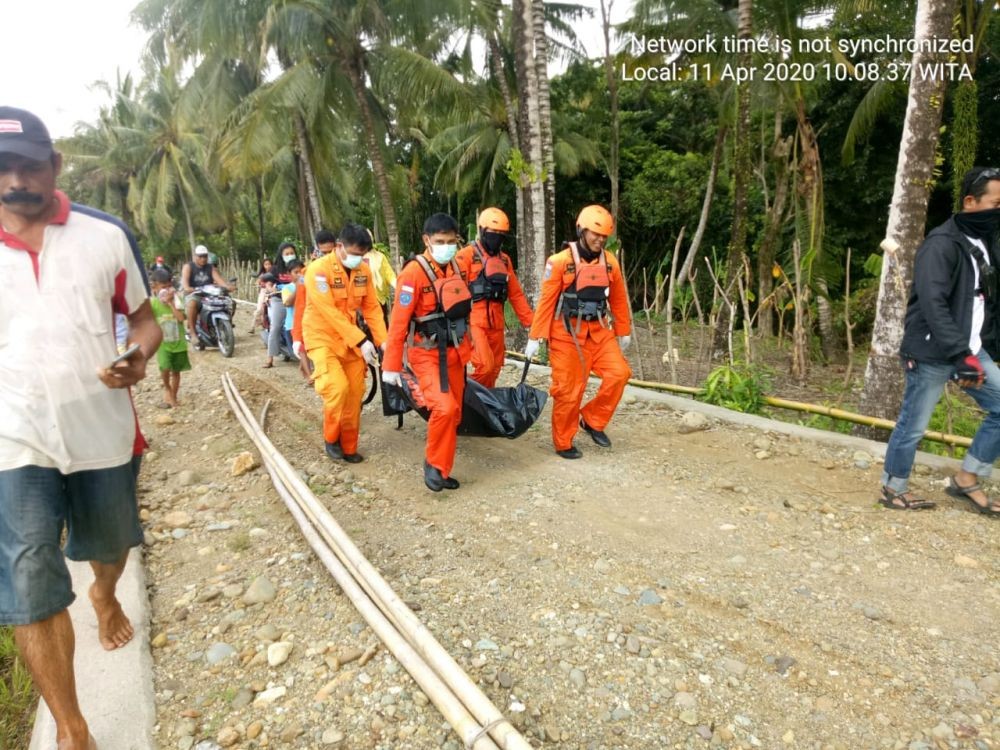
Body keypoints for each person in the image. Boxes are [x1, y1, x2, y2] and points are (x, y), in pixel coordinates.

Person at [0, 106, 162, 750]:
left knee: (110, 546)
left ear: (56, 164)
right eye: (4, 169)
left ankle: (103, 593)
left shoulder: (104, 235)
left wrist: (139, 355)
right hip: (14, 438)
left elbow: (146, 321)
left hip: (101, 432)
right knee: (29, 574)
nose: (17, 181)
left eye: (30, 166)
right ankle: (74, 728)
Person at [879, 167, 1000, 514]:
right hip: (934, 351)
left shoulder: (985, 241)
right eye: (997, 203)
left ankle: (967, 479)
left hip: (971, 350)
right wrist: (961, 354)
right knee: (914, 425)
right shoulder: (941, 244)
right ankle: (893, 488)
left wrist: (972, 350)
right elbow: (933, 304)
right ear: (970, 202)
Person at [525, 204, 632, 459]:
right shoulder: (560, 262)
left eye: (605, 236)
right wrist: (535, 337)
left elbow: (618, 298)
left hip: (599, 330)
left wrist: (623, 329)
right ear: (581, 230)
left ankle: (593, 420)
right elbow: (547, 301)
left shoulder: (610, 262)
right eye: (595, 234)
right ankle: (563, 441)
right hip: (566, 333)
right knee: (569, 390)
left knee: (620, 373)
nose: (600, 239)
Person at [382, 213, 472, 491]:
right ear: (427, 240)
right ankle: (433, 465)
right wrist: (391, 366)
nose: (446, 246)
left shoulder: (458, 267)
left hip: (455, 351)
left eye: (451, 241)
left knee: (454, 413)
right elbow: (398, 323)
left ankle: (442, 469)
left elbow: (466, 312)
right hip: (426, 353)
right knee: (444, 408)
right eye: (439, 241)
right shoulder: (413, 274)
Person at [303, 223, 387, 463]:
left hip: (350, 341)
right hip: (322, 338)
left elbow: (372, 309)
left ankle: (349, 446)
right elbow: (328, 311)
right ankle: (331, 437)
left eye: (362, 255)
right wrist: (361, 340)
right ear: (339, 247)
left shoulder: (363, 271)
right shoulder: (318, 270)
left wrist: (384, 343)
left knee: (354, 393)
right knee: (337, 388)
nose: (357, 259)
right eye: (354, 254)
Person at [455, 207, 534, 388]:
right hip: (474, 321)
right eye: (493, 232)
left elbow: (516, 295)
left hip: (497, 323)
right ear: (482, 230)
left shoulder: (504, 260)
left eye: (501, 234)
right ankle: (463, 396)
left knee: (496, 367)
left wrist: (533, 326)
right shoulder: (466, 256)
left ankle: (484, 405)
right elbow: (455, 291)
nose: (497, 237)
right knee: (485, 366)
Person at [149, 268, 190, 407]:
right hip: (163, 343)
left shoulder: (178, 301)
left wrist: (171, 303)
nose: (166, 290)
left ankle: (173, 395)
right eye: (162, 287)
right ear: (154, 288)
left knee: (176, 371)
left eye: (168, 287)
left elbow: (180, 318)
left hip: (179, 342)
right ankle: (167, 387)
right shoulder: (152, 304)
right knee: (164, 367)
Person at [180, 243, 231, 343]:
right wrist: (188, 288)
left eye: (205, 256)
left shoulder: (210, 267)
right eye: (200, 256)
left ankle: (222, 325)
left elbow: (219, 280)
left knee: (227, 301)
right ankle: (193, 333)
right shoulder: (188, 267)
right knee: (192, 303)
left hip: (209, 294)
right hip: (194, 294)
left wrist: (227, 287)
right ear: (195, 256)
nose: (203, 258)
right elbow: (185, 283)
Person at [363, 241, 397, 320]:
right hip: (361, 302)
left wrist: (399, 286)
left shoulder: (380, 257)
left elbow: (389, 275)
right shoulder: (354, 259)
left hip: (379, 299)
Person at [280, 259, 305, 358]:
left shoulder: (309, 286)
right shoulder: (287, 288)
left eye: (301, 272)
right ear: (289, 274)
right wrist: (298, 288)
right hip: (292, 326)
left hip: (307, 325)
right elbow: (287, 303)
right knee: (301, 355)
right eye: (296, 272)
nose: (299, 275)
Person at [259, 272, 283, 368]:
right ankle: (270, 359)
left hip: (294, 300)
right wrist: (270, 287)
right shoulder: (273, 281)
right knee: (275, 327)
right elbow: (271, 289)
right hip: (278, 301)